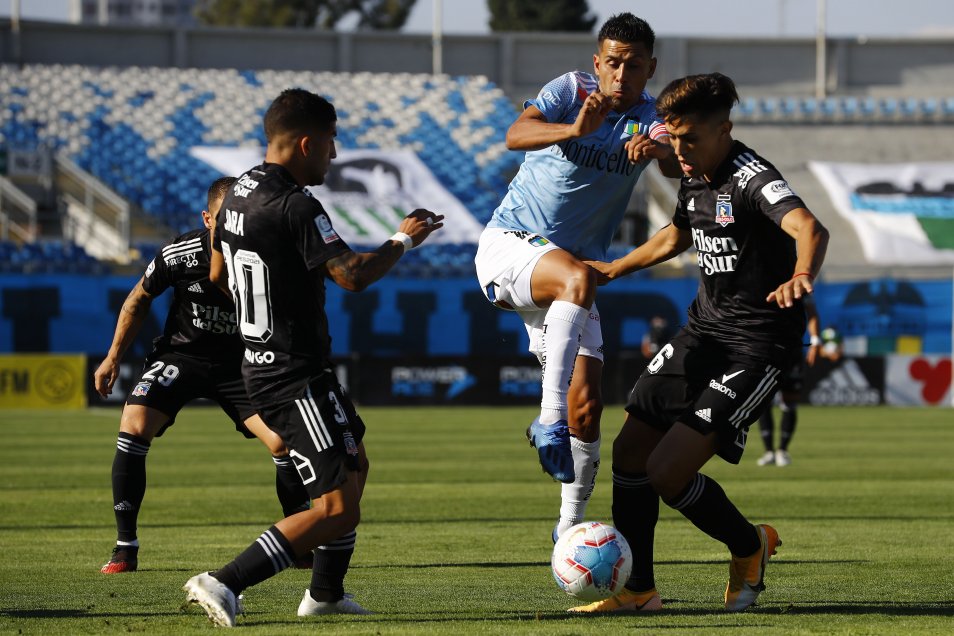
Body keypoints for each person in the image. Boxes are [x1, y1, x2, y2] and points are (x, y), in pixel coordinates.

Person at [182, 88, 442, 627]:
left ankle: (324, 594)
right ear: (305, 143)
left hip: (284, 365)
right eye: (330, 143)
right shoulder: (297, 204)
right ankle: (223, 581)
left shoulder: (235, 195)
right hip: (288, 373)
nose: (335, 154)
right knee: (337, 506)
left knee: (356, 465)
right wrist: (404, 238)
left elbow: (216, 275)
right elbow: (352, 275)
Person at [574, 72, 829, 613]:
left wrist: (803, 271)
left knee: (668, 472)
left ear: (724, 130)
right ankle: (638, 591)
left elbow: (810, 226)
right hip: (703, 332)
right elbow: (678, 233)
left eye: (690, 138)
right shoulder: (692, 168)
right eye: (673, 134)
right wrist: (616, 267)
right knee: (630, 452)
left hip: (757, 347)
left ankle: (748, 545)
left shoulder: (754, 177)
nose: (679, 149)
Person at [473, 12, 681, 540]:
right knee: (576, 282)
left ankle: (568, 529)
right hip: (510, 246)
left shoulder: (652, 116)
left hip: (569, 276)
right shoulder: (571, 91)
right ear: (597, 62)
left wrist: (660, 152)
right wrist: (573, 130)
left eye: (634, 65)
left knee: (587, 410)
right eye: (613, 62)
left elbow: (675, 164)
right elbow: (515, 134)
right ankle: (547, 419)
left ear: (650, 68)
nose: (621, 74)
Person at [93, 177, 310, 575]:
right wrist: (112, 358)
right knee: (133, 424)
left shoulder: (265, 253)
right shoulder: (180, 253)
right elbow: (139, 298)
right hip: (182, 356)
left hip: (240, 364)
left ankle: (296, 542)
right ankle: (125, 547)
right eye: (224, 217)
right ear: (207, 218)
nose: (233, 224)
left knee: (281, 443)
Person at [756, 294, 822, 467]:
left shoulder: (797, 284)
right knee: (763, 402)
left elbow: (812, 313)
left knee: (789, 402)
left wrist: (815, 341)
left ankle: (782, 450)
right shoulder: (759, 280)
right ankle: (768, 451)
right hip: (765, 351)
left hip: (792, 352)